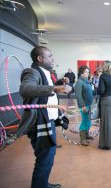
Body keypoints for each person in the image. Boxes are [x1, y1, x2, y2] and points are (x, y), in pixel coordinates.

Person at [16, 46, 72, 188]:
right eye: (50, 56)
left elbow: (45, 89)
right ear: (40, 58)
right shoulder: (32, 71)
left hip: (48, 120)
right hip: (39, 122)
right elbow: (26, 89)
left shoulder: (46, 73)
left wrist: (58, 84)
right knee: (45, 158)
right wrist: (54, 88)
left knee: (47, 157)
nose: (53, 59)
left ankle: (43, 184)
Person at [74, 66, 94, 146]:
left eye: (88, 72)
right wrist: (82, 106)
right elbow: (78, 95)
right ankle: (83, 139)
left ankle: (87, 135)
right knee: (85, 121)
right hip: (84, 105)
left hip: (89, 104)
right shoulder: (79, 82)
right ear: (81, 73)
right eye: (86, 72)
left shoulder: (87, 81)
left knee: (88, 120)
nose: (87, 73)